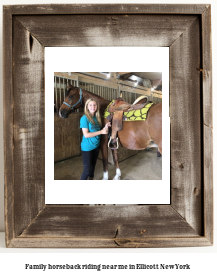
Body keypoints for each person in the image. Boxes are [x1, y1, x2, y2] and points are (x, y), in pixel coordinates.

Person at [80, 98, 111, 180]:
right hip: (87, 147)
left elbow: (97, 130)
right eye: (90, 105)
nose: (93, 107)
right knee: (86, 170)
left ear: (97, 106)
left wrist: (105, 127)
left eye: (94, 105)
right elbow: (86, 135)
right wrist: (101, 132)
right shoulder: (84, 118)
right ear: (87, 107)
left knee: (93, 167)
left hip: (96, 146)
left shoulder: (97, 118)